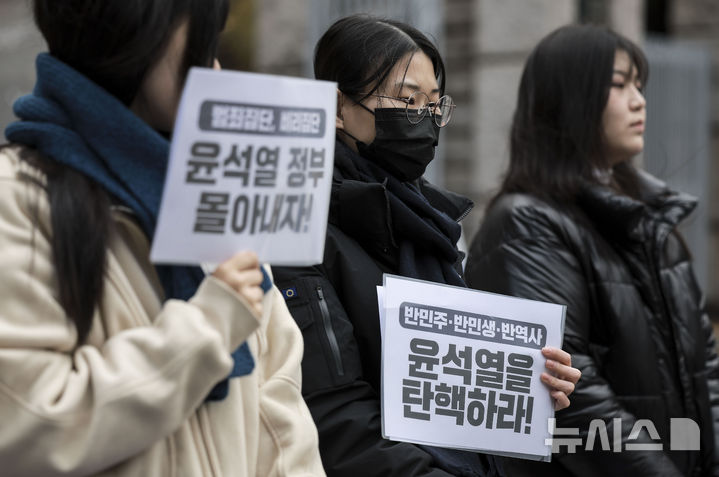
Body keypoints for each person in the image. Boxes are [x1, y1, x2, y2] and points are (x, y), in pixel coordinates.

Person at [0, 1, 325, 475]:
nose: (215, 67)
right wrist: (208, 328)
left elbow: (280, 410)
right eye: (201, 44)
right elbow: (24, 424)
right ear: (131, 34)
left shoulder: (221, 189)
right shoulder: (18, 200)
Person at [273, 14, 581, 477]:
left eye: (435, 104)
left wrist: (526, 388)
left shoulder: (431, 226)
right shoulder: (301, 232)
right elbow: (335, 419)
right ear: (337, 108)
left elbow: (459, 389)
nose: (427, 119)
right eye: (406, 99)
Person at [464, 24, 719, 477]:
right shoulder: (527, 223)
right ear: (569, 99)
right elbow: (572, 398)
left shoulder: (648, 219)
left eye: (638, 86)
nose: (639, 100)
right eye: (619, 85)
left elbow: (706, 368)